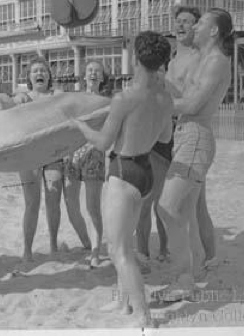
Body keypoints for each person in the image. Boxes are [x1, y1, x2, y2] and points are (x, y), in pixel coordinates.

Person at [74, 31, 173, 325]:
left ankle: (144, 316)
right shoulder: (165, 98)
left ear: (135, 58)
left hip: (123, 171)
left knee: (117, 250)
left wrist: (80, 127)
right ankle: (124, 305)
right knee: (125, 244)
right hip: (145, 172)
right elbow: (165, 136)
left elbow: (103, 143)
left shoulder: (124, 98)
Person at [155, 8, 233, 302]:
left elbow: (192, 104)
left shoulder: (215, 61)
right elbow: (184, 98)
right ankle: (192, 272)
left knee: (166, 207)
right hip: (188, 137)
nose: (194, 26)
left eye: (200, 22)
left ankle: (184, 278)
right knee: (184, 214)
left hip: (195, 138)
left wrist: (155, 102)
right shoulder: (204, 59)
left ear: (214, 31)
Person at [137, 5, 218, 274]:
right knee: (157, 199)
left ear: (197, 27)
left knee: (196, 205)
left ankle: (209, 257)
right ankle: (162, 252)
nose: (181, 25)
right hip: (163, 136)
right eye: (178, 21)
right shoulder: (171, 58)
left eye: (187, 21)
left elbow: (191, 99)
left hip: (187, 135)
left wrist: (162, 89)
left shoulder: (200, 57)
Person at [12, 57, 83, 261]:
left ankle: (53, 244)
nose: (39, 73)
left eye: (43, 70)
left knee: (53, 201)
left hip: (54, 154)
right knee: (32, 204)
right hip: (29, 156)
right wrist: (17, 98)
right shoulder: (22, 97)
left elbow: (73, 108)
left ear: (49, 75)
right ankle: (27, 249)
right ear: (29, 76)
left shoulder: (56, 95)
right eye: (35, 71)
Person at [63, 60, 109, 267]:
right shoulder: (74, 99)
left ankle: (95, 251)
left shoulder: (107, 103)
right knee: (71, 204)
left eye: (97, 71)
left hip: (94, 155)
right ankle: (87, 242)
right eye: (90, 70)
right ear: (83, 76)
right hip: (71, 155)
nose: (93, 73)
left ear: (102, 77)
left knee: (93, 207)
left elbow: (108, 133)